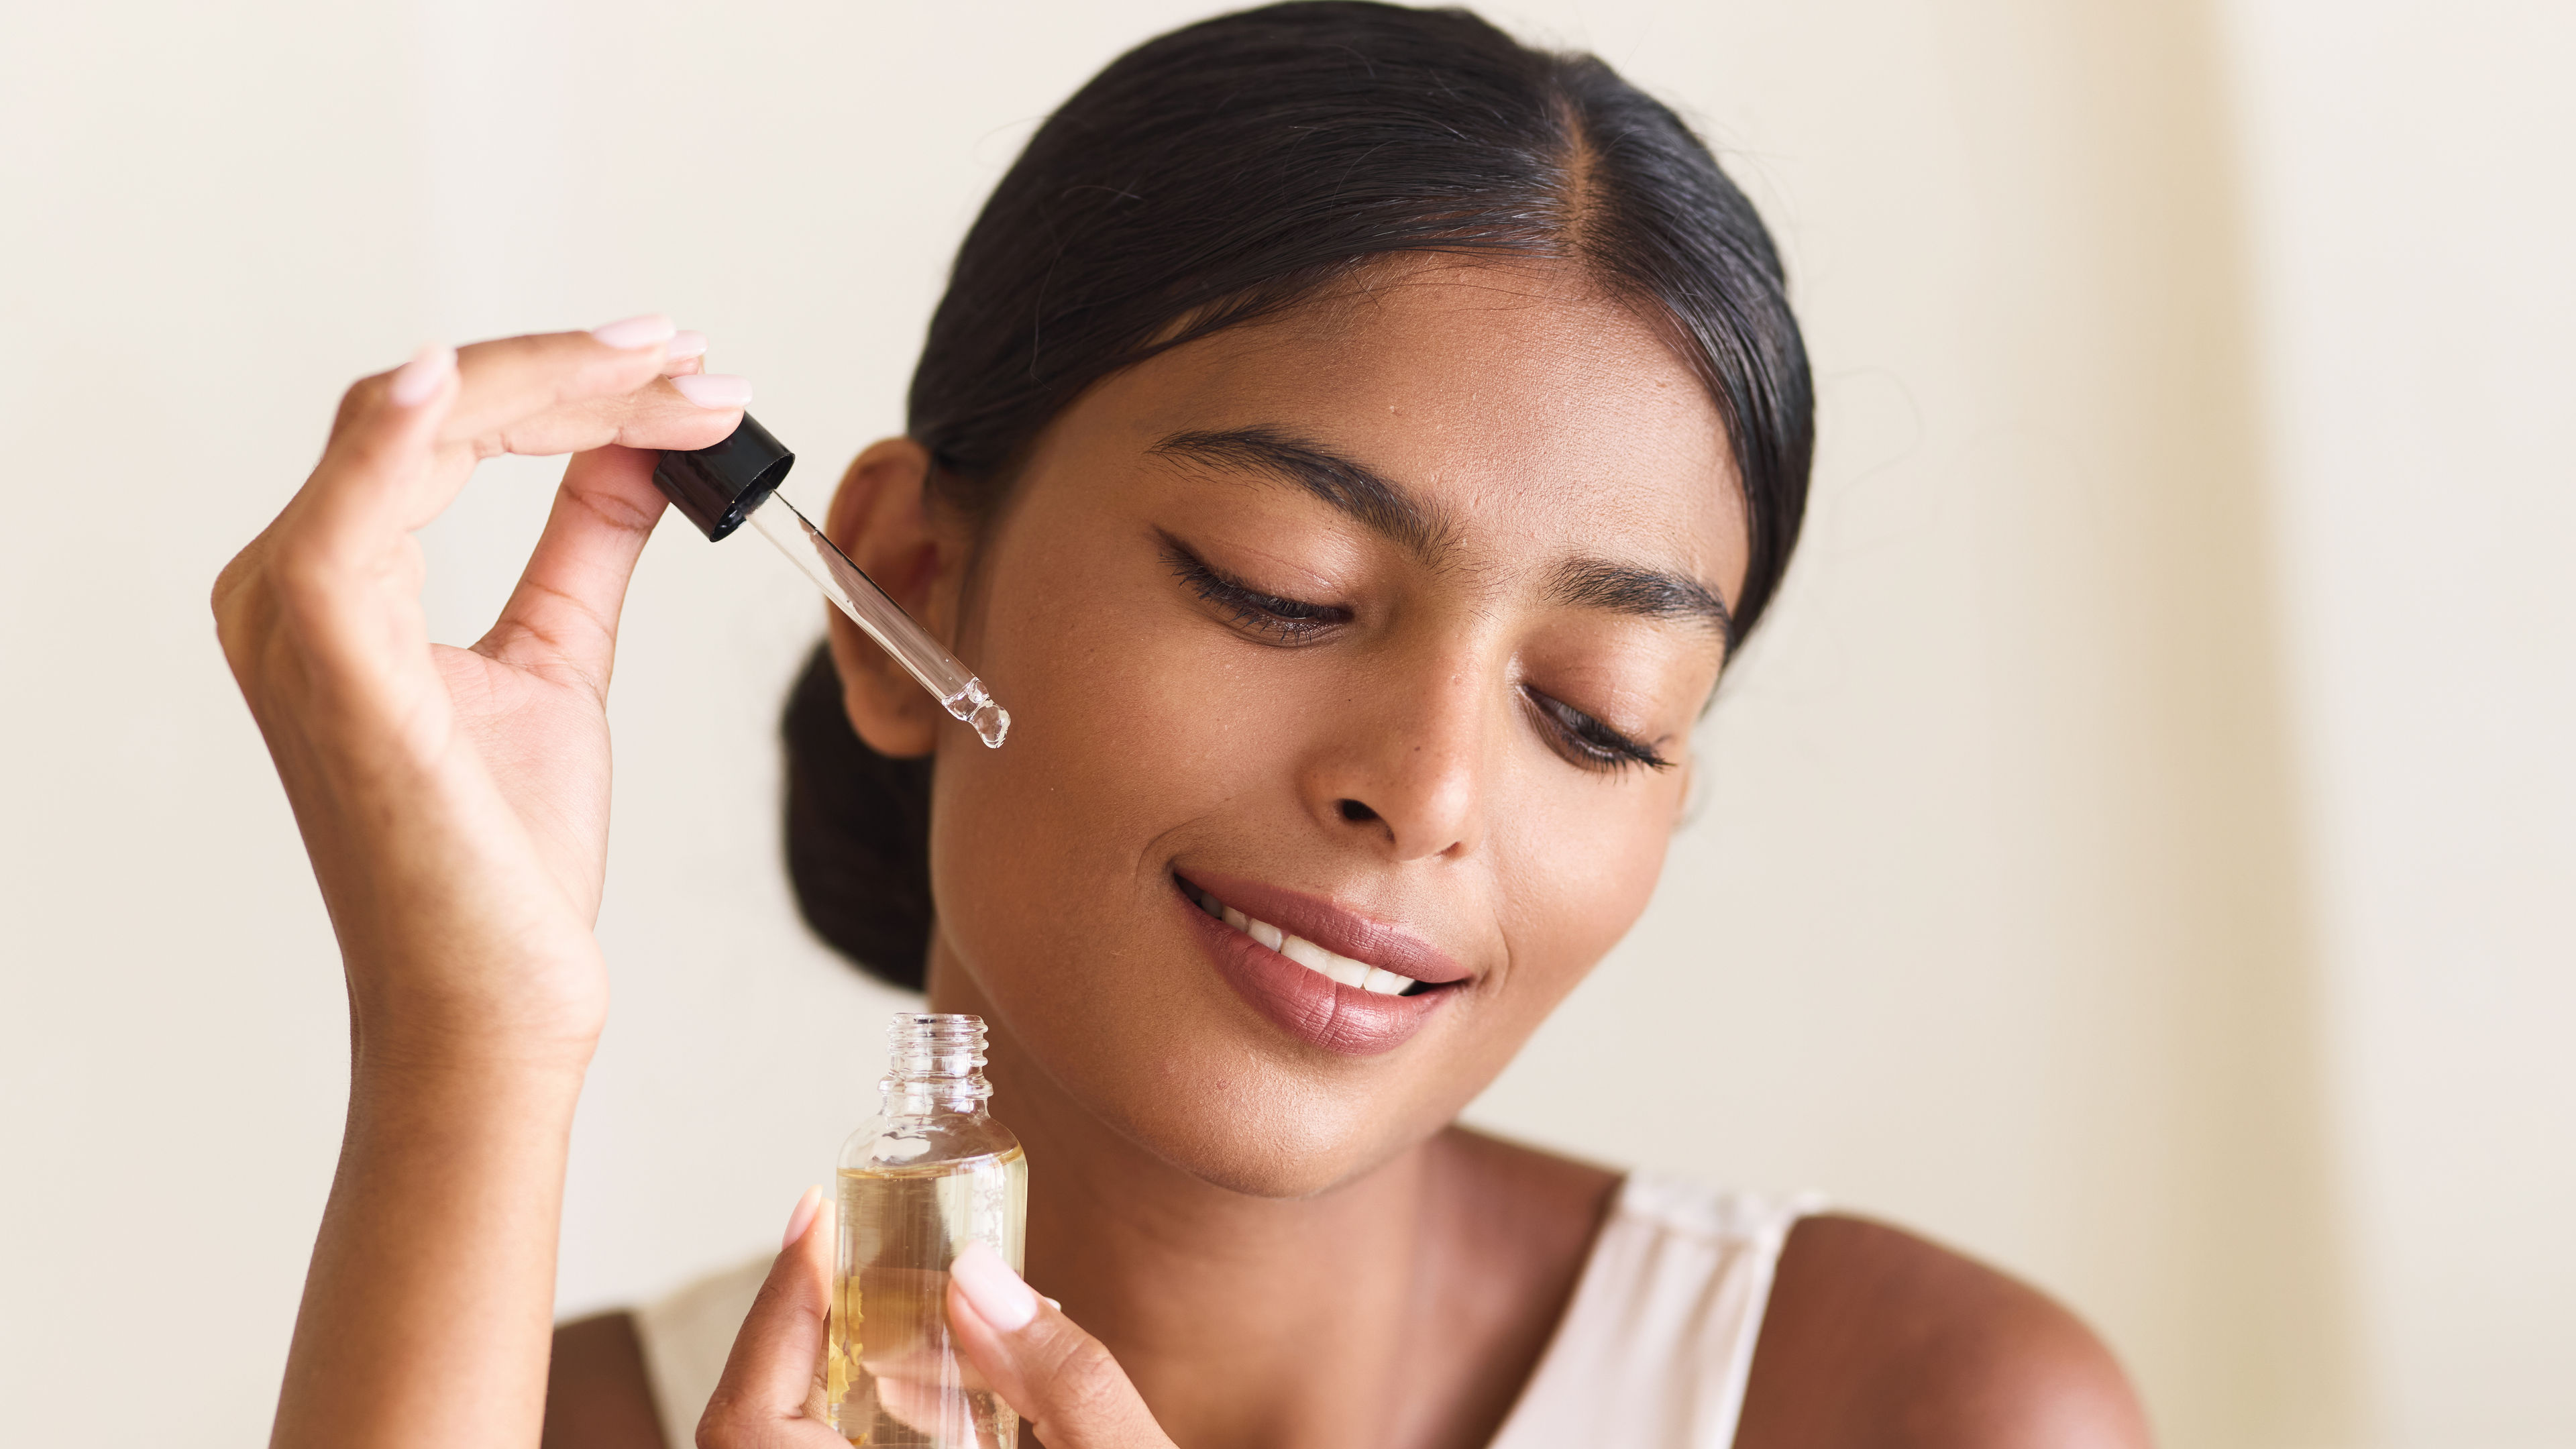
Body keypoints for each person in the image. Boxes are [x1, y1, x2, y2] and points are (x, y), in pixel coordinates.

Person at [219, 4, 2150, 1447]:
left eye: (1594, 714)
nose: (1428, 790)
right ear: (900, 592)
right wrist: (470, 1040)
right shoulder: (536, 1420)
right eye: (1280, 586)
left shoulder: (1916, 1408)